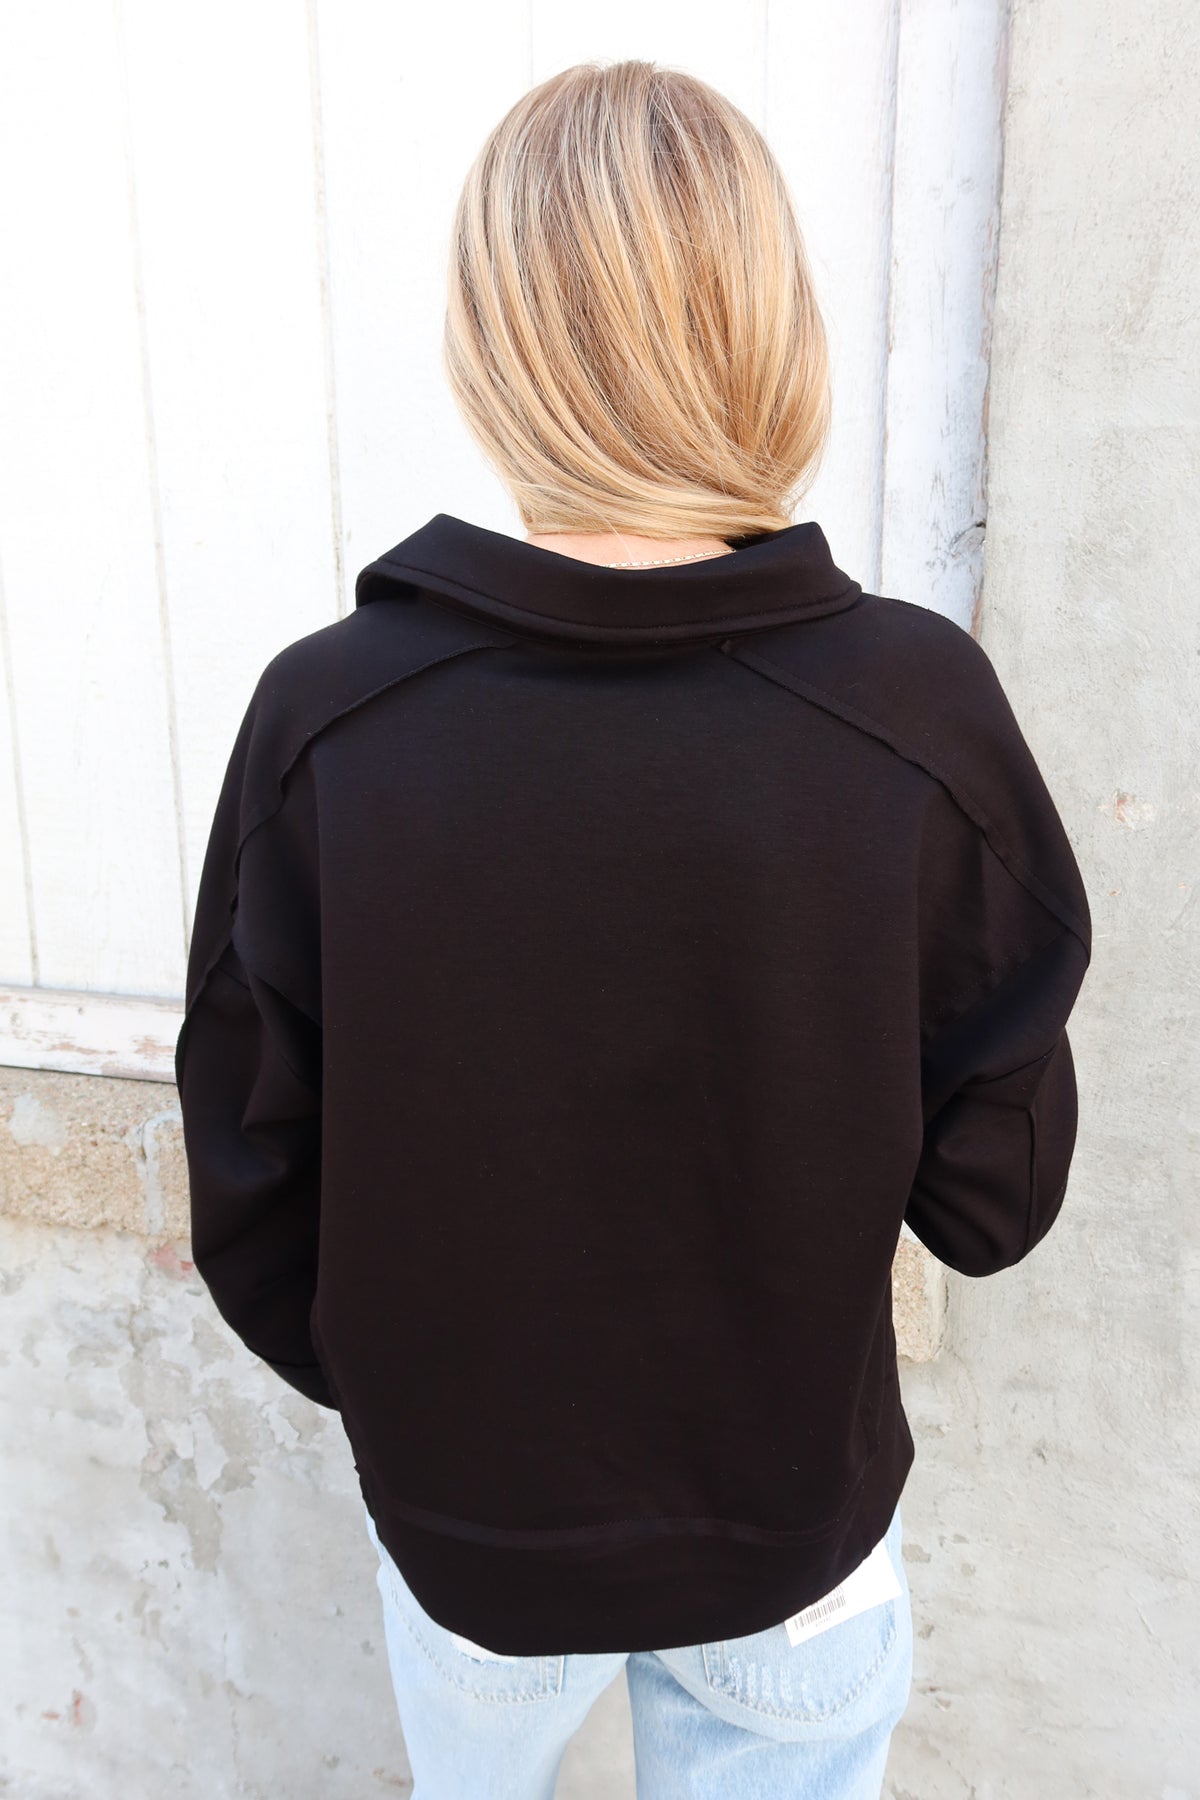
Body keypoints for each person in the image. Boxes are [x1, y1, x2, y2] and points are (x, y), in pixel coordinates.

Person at [174, 59, 1092, 1800]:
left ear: (494, 339)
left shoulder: (328, 726)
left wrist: (424, 1409)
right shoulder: (916, 715)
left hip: (469, 1535)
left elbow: (250, 1180)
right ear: (769, 320)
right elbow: (994, 1200)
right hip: (793, 1531)